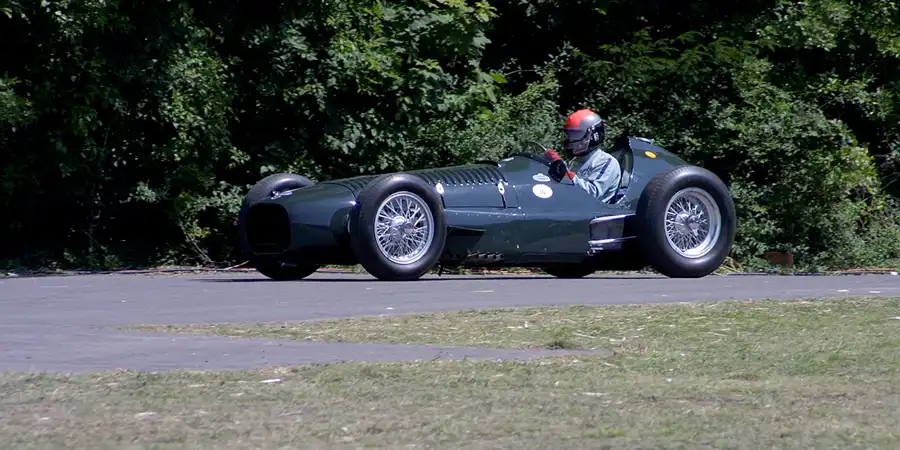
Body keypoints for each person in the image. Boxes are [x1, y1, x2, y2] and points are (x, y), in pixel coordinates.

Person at [544, 108, 621, 203]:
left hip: (592, 214)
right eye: (568, 135)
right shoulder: (576, 160)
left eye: (575, 135)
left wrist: (565, 174)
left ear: (593, 135)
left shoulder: (607, 162)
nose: (569, 139)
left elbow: (593, 194)